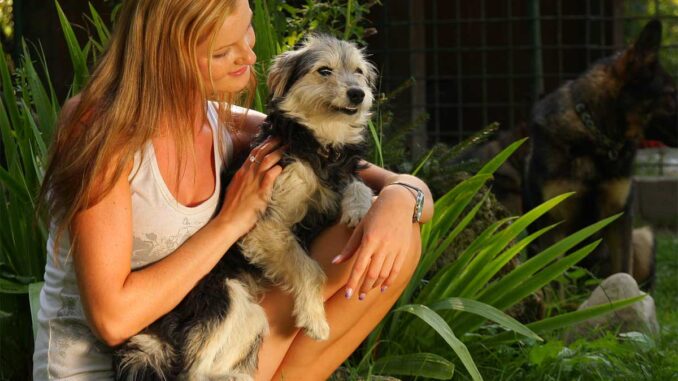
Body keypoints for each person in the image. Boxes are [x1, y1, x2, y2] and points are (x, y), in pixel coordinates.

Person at [34, 0, 433, 379]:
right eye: (224, 51)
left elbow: (384, 180)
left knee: (390, 235)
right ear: (166, 56)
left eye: (248, 34)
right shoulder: (98, 126)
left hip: (210, 348)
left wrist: (402, 198)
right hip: (118, 367)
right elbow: (113, 321)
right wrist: (230, 221)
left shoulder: (228, 125)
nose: (249, 58)